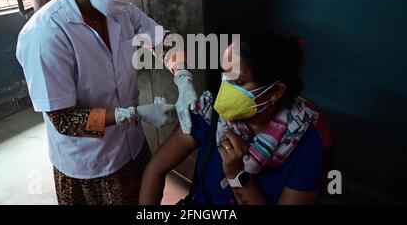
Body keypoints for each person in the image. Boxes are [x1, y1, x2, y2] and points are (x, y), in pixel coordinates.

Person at [16, 0, 197, 205]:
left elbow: (164, 41)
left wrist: (183, 79)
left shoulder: (121, 11)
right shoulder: (45, 35)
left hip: (132, 146)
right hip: (88, 163)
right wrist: (133, 113)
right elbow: (65, 119)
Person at [139, 32, 326, 205]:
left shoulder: (305, 143)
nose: (225, 89)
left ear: (276, 91)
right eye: (225, 74)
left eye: (239, 82)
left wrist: (237, 175)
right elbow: (155, 169)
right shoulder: (209, 114)